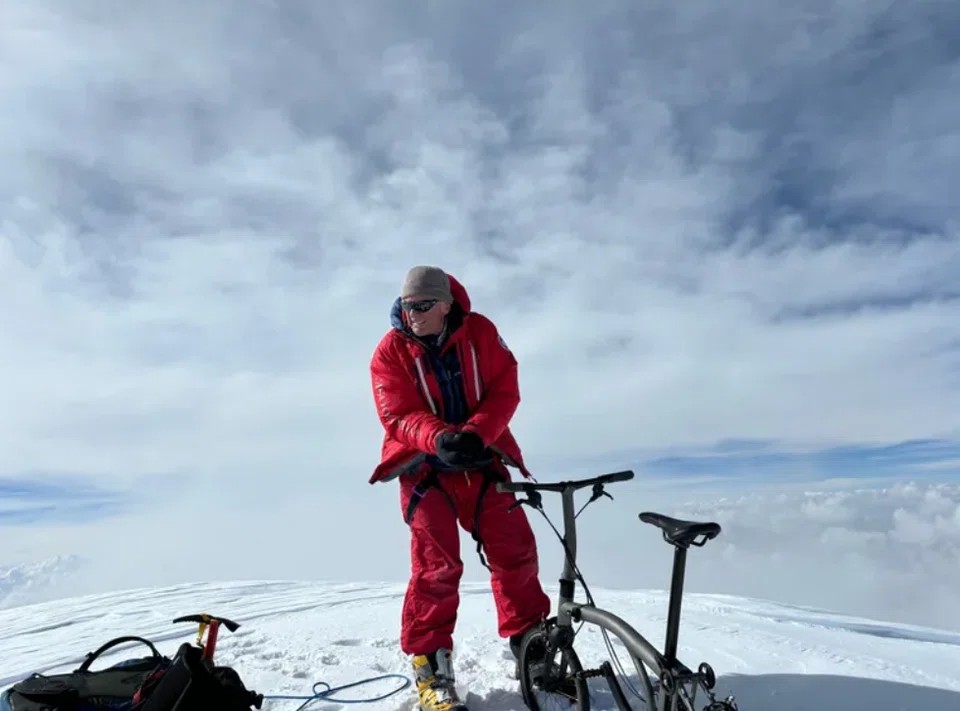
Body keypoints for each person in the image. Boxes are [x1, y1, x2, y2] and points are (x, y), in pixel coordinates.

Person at [368, 265, 552, 711]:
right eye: (407, 305)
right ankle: (431, 671)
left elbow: (504, 388)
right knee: (437, 567)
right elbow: (396, 413)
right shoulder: (390, 351)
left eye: (422, 305)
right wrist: (439, 439)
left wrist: (476, 433)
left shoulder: (480, 333)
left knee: (516, 552)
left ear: (446, 305)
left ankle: (532, 650)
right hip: (424, 471)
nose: (412, 314)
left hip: (481, 463)